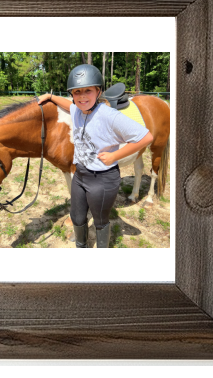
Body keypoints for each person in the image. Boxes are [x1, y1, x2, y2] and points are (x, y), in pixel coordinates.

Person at [37, 64, 153, 248]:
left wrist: (116, 155)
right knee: (76, 217)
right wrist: (51, 97)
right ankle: (81, 247)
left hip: (103, 179)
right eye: (77, 92)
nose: (82, 96)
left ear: (98, 91)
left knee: (100, 221)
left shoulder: (109, 116)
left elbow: (146, 137)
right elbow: (68, 105)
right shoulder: (76, 109)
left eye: (88, 91)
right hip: (80, 175)